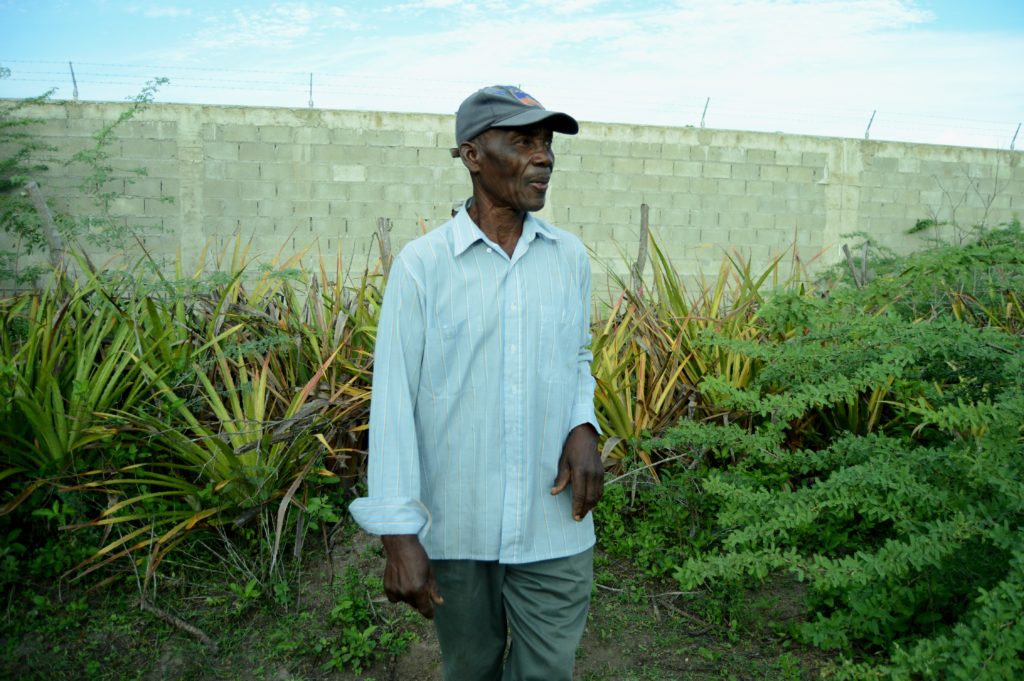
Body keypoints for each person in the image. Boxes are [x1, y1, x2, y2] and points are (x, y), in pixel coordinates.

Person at [349, 84, 603, 681]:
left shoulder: (569, 259)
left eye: (545, 144)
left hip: (553, 523)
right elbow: (392, 404)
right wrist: (397, 533)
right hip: (457, 526)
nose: (543, 157)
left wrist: (582, 422)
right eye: (522, 142)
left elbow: (577, 356)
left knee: (548, 671)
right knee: (471, 669)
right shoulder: (423, 266)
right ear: (472, 155)